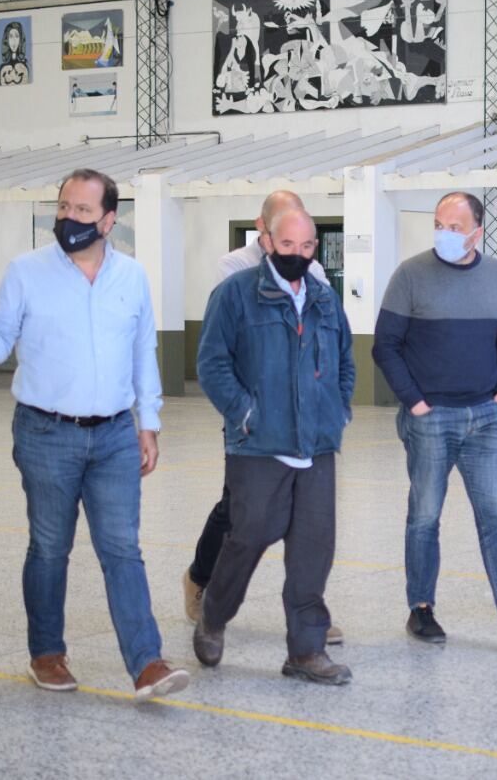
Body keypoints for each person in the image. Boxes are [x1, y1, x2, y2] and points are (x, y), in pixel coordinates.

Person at [0, 168, 190, 700]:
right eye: (63, 208)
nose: (69, 218)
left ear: (109, 220)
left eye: (83, 211)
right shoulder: (25, 272)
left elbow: (141, 355)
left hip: (113, 437)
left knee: (122, 549)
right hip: (45, 433)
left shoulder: (131, 277)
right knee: (50, 548)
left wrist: (147, 424)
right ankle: (47, 653)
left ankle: (147, 663)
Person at [373, 191, 497, 650]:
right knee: (424, 516)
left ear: (478, 231)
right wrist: (415, 402)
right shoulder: (411, 275)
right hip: (430, 417)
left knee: (496, 515)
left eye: (455, 227)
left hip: (486, 416)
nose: (445, 233)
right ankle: (421, 609)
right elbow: (385, 345)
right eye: (440, 223)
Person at [192, 206, 355, 685]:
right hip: (260, 445)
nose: (298, 256)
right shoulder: (234, 296)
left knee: (313, 549)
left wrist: (338, 410)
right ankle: (214, 615)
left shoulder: (325, 299)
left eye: (308, 248)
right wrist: (245, 413)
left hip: (317, 445)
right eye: (288, 246)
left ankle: (306, 650)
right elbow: (212, 364)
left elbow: (345, 360)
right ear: (266, 242)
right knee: (248, 537)